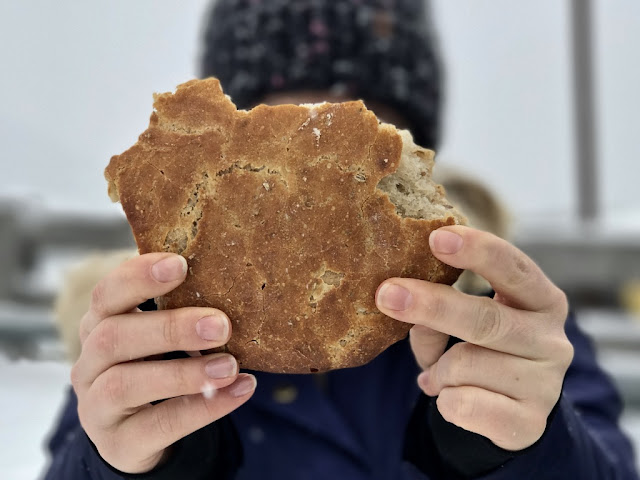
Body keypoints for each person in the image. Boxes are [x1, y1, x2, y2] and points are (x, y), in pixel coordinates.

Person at [43, 1, 639, 479]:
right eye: (287, 124)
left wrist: (518, 449)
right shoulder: (143, 336)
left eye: (360, 116)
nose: (322, 147)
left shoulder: (505, 321)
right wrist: (131, 467)